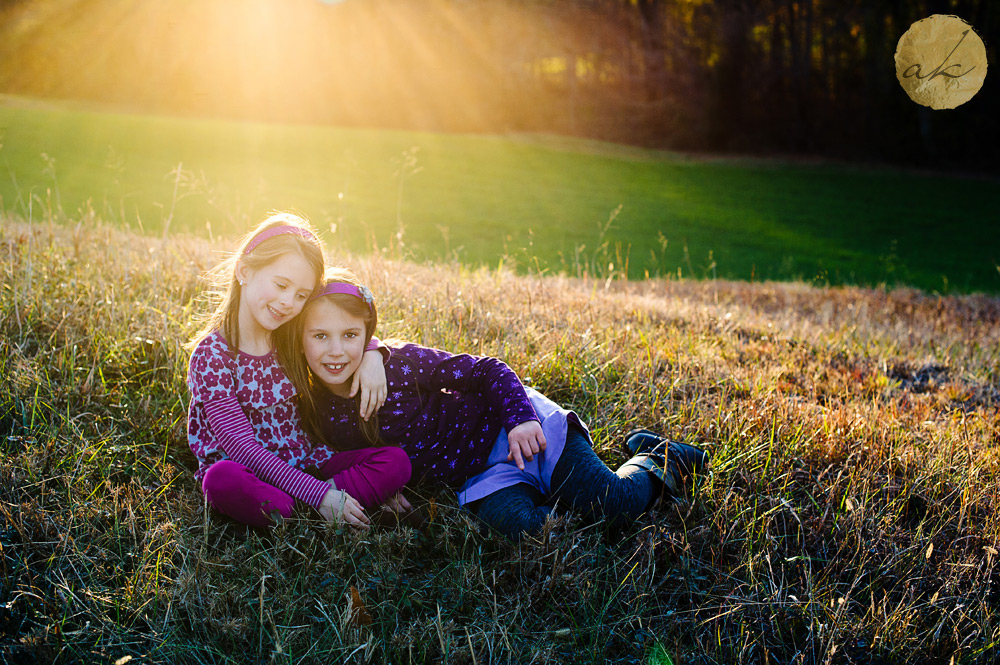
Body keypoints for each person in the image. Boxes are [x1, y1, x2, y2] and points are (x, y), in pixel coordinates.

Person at [278, 267, 710, 540]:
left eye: (351, 336)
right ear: (301, 340)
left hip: (519, 430)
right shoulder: (317, 408)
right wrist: (379, 490)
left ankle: (662, 456)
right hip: (481, 475)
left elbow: (487, 370)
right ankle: (565, 494)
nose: (336, 351)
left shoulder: (400, 363)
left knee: (611, 504)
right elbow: (348, 458)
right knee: (526, 532)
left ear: (367, 334)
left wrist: (519, 418)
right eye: (320, 337)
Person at [185, 213, 412, 530]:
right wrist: (320, 494)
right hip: (249, 473)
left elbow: (335, 327)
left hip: (308, 462)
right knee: (220, 480)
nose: (287, 302)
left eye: (301, 295)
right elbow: (242, 448)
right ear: (244, 270)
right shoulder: (212, 356)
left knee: (396, 463)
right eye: (280, 285)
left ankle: (317, 511)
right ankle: (324, 508)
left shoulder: (287, 335)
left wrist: (373, 351)